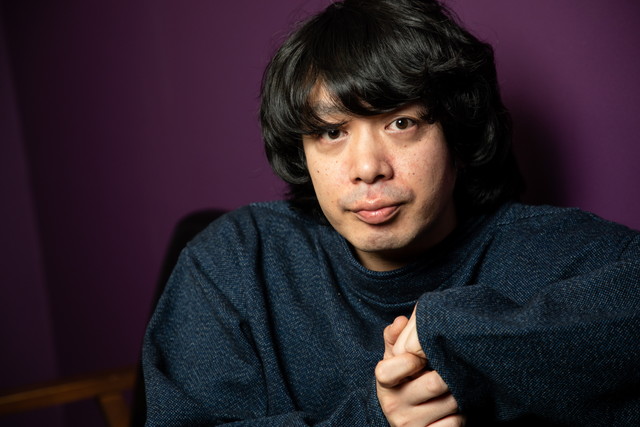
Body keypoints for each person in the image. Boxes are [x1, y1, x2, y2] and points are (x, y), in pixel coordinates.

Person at [142, 0, 640, 425]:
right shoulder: (233, 262)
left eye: (401, 123)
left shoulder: (550, 253)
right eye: (331, 132)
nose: (367, 168)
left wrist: (448, 336)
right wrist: (376, 418)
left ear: (457, 134)